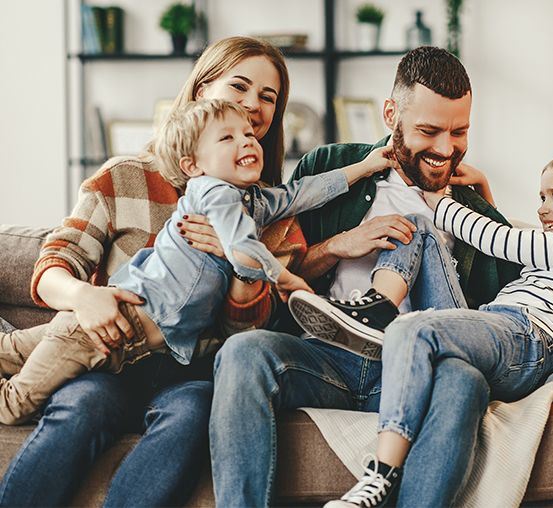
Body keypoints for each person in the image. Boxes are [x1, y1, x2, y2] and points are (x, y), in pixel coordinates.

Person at [206, 46, 553, 507]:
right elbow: (276, 274)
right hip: (328, 358)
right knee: (244, 352)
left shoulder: (470, 204)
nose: (445, 149)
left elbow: (511, 315)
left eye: (459, 132)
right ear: (391, 114)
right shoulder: (330, 166)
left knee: (464, 379)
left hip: (421, 368)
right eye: (429, 131)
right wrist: (338, 246)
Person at [0, 36, 300, 506]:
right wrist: (85, 297)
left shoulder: (267, 210)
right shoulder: (124, 175)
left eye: (268, 97)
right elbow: (55, 262)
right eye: (239, 87)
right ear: (201, 90)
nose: (252, 105)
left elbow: (246, 332)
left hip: (189, 371)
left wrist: (238, 257)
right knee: (80, 405)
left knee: (190, 415)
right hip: (108, 356)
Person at [291, 148, 553, 507]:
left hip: (526, 336)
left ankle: (381, 474)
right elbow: (512, 254)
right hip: (498, 328)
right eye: (541, 196)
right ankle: (378, 308)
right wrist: (482, 190)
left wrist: (442, 201)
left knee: (412, 328)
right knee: (416, 227)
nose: (541, 207)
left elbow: (503, 242)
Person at [0, 99, 394, 424]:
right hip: (101, 330)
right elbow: (241, 246)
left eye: (249, 134)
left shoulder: (253, 201)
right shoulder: (213, 193)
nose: (248, 142)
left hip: (123, 343)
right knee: (15, 405)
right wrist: (285, 277)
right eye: (228, 137)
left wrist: (366, 166)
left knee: (12, 349)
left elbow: (303, 192)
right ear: (193, 166)